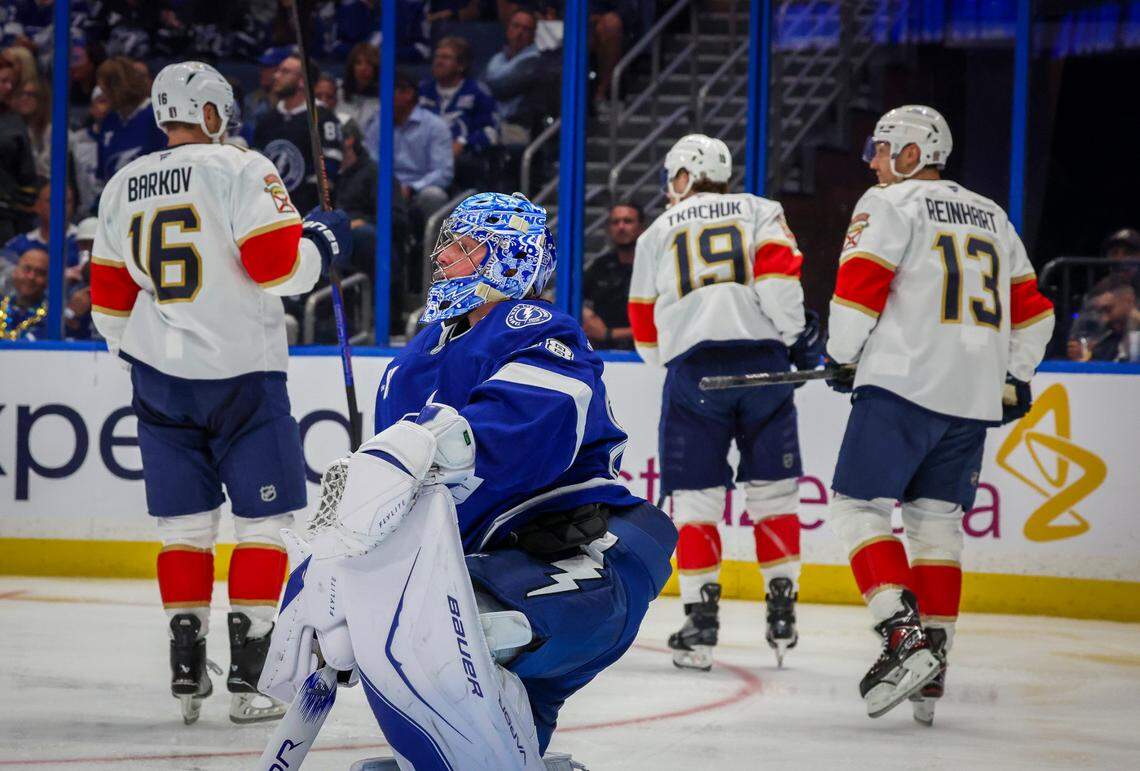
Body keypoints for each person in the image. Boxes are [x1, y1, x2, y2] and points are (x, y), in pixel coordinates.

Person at [259, 192, 677, 767]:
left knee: (434, 632)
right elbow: (395, 505)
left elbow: (525, 431)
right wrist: (334, 571)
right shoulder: (417, 357)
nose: (445, 257)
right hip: (490, 566)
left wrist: (431, 443)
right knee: (446, 716)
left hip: (587, 555)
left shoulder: (532, 326)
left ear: (510, 258)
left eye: (465, 244)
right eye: (447, 243)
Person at [89, 60, 354, 726]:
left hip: (160, 379)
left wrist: (152, 356)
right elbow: (278, 266)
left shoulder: (122, 183)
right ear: (211, 111)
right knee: (262, 525)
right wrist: (321, 244)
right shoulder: (240, 167)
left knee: (182, 530)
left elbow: (109, 305)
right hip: (244, 376)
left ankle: (185, 676)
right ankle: (248, 680)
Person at [823, 105, 1055, 723]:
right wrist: (1013, 376)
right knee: (936, 523)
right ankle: (934, 665)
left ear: (910, 152)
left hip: (902, 383)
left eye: (880, 148)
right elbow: (1036, 315)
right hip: (971, 399)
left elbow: (858, 290)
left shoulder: (890, 205)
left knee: (854, 507)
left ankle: (902, 636)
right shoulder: (993, 215)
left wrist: (841, 355)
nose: (872, 161)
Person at [628, 134, 823, 670]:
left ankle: (700, 623)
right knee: (775, 496)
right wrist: (784, 339)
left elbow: (644, 325)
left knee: (696, 505)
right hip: (764, 366)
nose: (670, 190)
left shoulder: (656, 232)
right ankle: (782, 609)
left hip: (695, 372)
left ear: (686, 175)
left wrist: (670, 359)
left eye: (673, 178)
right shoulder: (762, 210)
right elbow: (782, 281)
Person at [253, 53, 342, 214]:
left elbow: (328, 173)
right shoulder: (267, 119)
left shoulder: (323, 119)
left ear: (302, 81)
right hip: (269, 212)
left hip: (308, 214)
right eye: (278, 70)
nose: (276, 76)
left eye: (285, 72)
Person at [418, 36, 499, 183]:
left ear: (461, 65)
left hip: (460, 162)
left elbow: (491, 132)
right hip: (421, 156)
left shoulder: (478, 92)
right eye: (437, 56)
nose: (439, 62)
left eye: (446, 57)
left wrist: (463, 143)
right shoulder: (422, 90)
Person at [95, 56, 167, 186]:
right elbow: (102, 175)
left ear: (118, 87)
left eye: (105, 90)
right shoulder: (109, 122)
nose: (103, 97)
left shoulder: (156, 116)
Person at [581, 201, 643, 350]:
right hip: (603, 356)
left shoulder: (655, 266)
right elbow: (574, 298)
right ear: (608, 229)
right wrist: (584, 312)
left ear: (641, 227)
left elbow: (664, 324)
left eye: (628, 221)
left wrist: (609, 334)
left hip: (645, 356)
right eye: (615, 222)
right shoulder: (601, 266)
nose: (621, 227)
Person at [484, 8, 543, 145]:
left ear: (534, 35)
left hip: (519, 127)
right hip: (493, 122)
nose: (519, 33)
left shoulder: (535, 61)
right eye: (516, 26)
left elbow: (501, 88)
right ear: (508, 29)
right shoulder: (498, 58)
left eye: (526, 29)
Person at [0, 54, 37, 243]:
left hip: (6, 217)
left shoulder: (14, 123)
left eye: (11, 82)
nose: (8, 87)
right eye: (3, 81)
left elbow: (27, 174)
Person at [3, 182, 80, 269]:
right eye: (51, 201)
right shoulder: (17, 246)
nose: (59, 206)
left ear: (73, 207)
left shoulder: (85, 241)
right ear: (37, 206)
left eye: (66, 201)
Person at [1066, 274, 1140, 362]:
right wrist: (1084, 358)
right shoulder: (1108, 340)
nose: (1105, 319)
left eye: (1108, 309)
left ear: (1128, 300)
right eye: (1101, 312)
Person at [0, 246, 49, 340]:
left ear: (47, 280)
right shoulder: (3, 305)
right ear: (15, 271)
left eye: (40, 272)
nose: (31, 277)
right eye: (27, 269)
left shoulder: (51, 318)